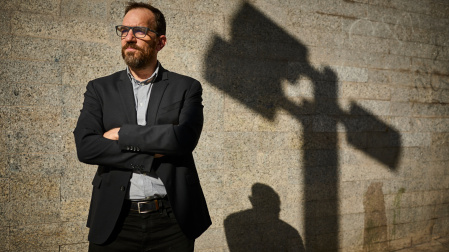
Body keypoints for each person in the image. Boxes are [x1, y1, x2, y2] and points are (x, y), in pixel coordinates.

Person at [73, 2, 211, 251]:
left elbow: (183, 139)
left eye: (139, 31)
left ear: (161, 42)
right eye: (124, 30)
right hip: (115, 218)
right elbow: (86, 147)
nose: (129, 37)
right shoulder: (99, 89)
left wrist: (123, 134)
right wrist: (153, 151)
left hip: (172, 221)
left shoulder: (186, 87)